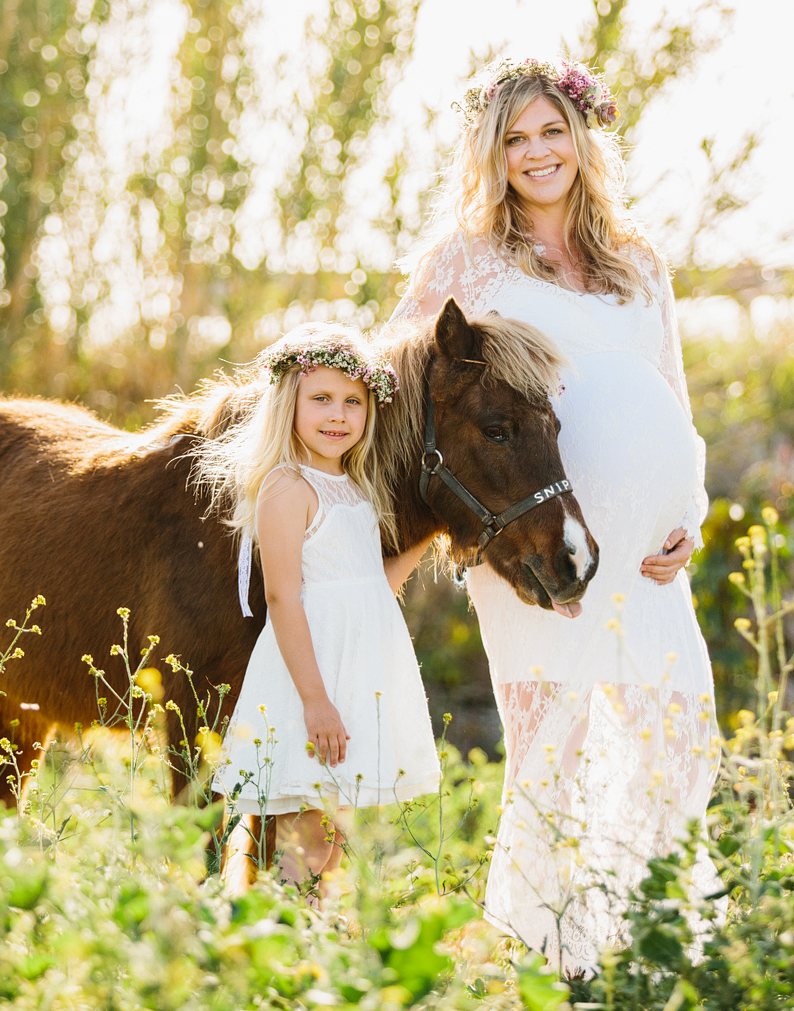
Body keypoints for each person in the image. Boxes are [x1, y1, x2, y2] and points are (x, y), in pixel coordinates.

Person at [387, 56, 720, 975]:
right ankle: (544, 963)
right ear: (491, 155)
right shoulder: (465, 261)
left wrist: (687, 509)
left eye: (551, 131)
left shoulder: (638, 258)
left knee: (678, 740)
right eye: (515, 138)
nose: (537, 152)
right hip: (539, 548)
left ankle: (646, 952)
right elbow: (403, 387)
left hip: (649, 557)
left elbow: (673, 398)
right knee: (554, 755)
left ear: (582, 137)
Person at [199, 322, 440, 901]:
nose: (338, 415)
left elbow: (370, 585)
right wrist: (315, 702)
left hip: (352, 673)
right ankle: (288, 934)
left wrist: (428, 537)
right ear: (290, 405)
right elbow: (283, 596)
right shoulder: (288, 486)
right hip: (313, 678)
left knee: (329, 830)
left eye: (353, 402)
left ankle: (307, 936)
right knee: (312, 832)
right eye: (322, 399)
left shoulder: (353, 484)